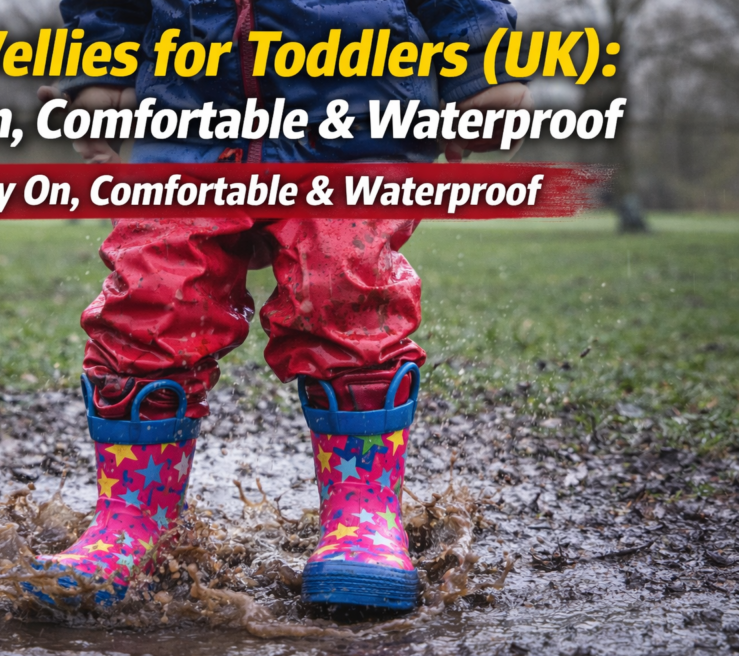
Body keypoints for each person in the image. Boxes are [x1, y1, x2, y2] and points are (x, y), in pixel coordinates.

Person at [31, 0, 532, 610]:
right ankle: (134, 525)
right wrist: (99, 74)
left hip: (358, 109)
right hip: (187, 117)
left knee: (345, 291)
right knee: (152, 292)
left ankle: (363, 519)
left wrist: (483, 67)